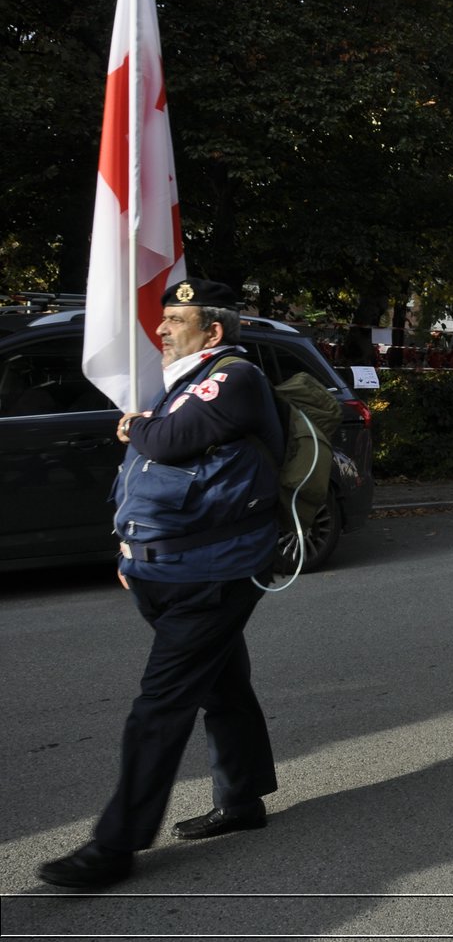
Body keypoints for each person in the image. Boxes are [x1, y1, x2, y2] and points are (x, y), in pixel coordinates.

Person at [38, 280, 282, 889]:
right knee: (221, 682)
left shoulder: (233, 376)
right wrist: (132, 548)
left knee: (159, 706)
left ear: (214, 329)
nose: (163, 329)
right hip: (169, 568)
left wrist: (136, 424)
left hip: (212, 573)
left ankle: (114, 846)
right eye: (164, 317)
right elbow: (147, 470)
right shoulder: (178, 385)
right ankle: (243, 799)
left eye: (176, 319)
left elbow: (166, 442)